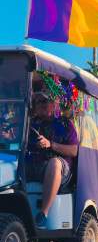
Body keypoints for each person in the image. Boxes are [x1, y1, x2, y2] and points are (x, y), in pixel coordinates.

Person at [27, 92, 78, 229]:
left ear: (53, 104)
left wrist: (51, 144)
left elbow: (74, 151)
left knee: (54, 163)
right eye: (39, 102)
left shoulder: (65, 124)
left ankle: (43, 214)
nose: (42, 105)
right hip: (32, 163)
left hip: (60, 169)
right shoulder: (29, 124)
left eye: (45, 101)